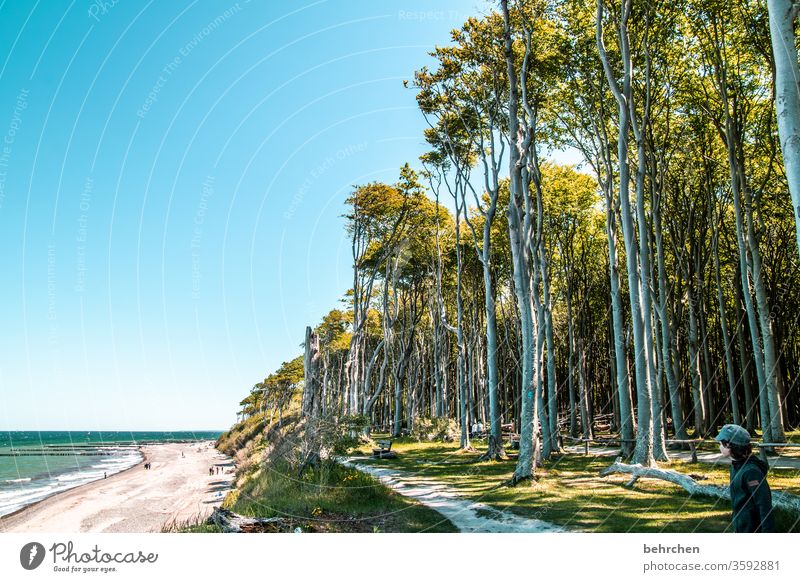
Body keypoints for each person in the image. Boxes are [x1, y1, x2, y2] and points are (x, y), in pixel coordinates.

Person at [714, 424, 775, 533]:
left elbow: (764, 506)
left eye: (720, 443)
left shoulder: (751, 472)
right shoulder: (736, 465)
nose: (719, 446)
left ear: (728, 445)